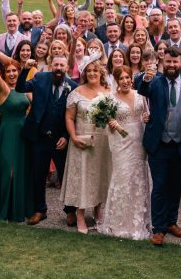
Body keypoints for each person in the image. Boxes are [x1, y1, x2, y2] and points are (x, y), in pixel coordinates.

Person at [138, 46, 181, 246]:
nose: (172, 65)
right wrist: (146, 78)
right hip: (159, 144)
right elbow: (142, 90)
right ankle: (159, 228)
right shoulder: (154, 82)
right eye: (169, 61)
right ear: (163, 62)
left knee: (174, 186)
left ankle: (172, 222)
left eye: (175, 62)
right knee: (160, 187)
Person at [17, 55, 78, 227]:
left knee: (65, 176)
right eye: (55, 64)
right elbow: (20, 88)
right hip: (39, 136)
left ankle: (70, 211)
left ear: (67, 67)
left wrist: (66, 136)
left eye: (61, 65)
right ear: (51, 66)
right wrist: (25, 70)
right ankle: (40, 210)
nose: (58, 68)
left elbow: (75, 116)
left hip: (60, 140)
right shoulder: (40, 78)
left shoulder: (73, 87)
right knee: (38, 174)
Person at [99, 66, 152, 240]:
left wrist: (146, 117)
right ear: (116, 81)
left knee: (139, 179)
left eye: (128, 77)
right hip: (121, 143)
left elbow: (146, 114)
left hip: (140, 141)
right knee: (122, 178)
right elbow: (106, 122)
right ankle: (119, 223)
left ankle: (139, 222)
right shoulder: (110, 99)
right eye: (121, 78)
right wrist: (111, 122)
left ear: (132, 78)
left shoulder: (140, 95)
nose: (125, 81)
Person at [62, 52, 112, 234]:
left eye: (95, 70)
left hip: (103, 141)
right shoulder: (76, 93)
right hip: (82, 140)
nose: (92, 73)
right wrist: (74, 137)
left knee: (100, 175)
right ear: (84, 73)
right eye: (88, 71)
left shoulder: (108, 92)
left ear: (100, 72)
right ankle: (80, 215)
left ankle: (98, 210)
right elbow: (69, 117)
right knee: (83, 178)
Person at [0, 54, 33, 223]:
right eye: (8, 71)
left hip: (23, 133)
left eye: (14, 71)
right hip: (8, 132)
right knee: (8, 171)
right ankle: (4, 209)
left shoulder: (25, 90)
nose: (12, 74)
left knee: (21, 171)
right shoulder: (3, 89)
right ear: (4, 75)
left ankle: (19, 209)